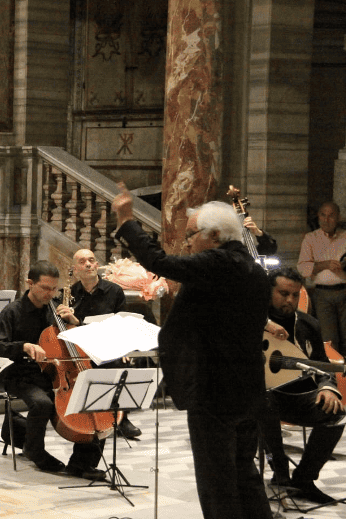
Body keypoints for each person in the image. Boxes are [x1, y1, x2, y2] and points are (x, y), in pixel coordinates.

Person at [112, 185, 272, 519]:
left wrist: (127, 221)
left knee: (217, 481)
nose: (187, 243)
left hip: (213, 389)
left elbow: (158, 261)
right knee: (245, 474)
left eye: (191, 235)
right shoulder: (254, 269)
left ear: (214, 235)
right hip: (247, 387)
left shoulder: (218, 262)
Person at [257, 267, 344, 505]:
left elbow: (322, 363)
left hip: (297, 396)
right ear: (268, 291)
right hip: (262, 399)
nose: (290, 300)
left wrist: (327, 386)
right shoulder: (252, 320)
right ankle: (280, 471)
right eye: (283, 293)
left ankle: (303, 480)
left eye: (295, 295)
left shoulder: (309, 324)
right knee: (263, 400)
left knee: (337, 414)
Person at [55, 248, 135, 474]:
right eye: (83, 261)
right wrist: (65, 318)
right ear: (75, 269)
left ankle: (85, 462)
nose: (89, 264)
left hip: (105, 354)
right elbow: (64, 332)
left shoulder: (114, 291)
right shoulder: (68, 294)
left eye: (92, 260)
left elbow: (122, 324)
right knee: (88, 407)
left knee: (101, 405)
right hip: (79, 357)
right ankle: (82, 463)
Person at [0, 260, 69, 474]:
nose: (51, 294)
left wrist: (73, 324)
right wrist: (23, 346)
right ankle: (35, 451)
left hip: (49, 374)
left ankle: (82, 461)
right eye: (45, 288)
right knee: (42, 403)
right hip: (19, 375)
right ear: (30, 283)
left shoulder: (55, 311)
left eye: (54, 289)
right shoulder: (12, 311)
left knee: (75, 400)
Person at [297, 201, 346, 355]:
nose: (326, 219)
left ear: (338, 217)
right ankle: (334, 376)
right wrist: (323, 265)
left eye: (331, 215)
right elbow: (303, 268)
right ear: (318, 217)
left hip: (344, 291)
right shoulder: (311, 238)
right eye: (323, 215)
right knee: (329, 339)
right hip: (322, 295)